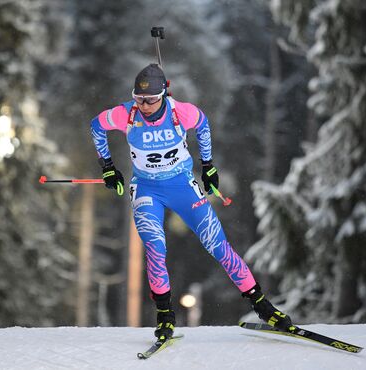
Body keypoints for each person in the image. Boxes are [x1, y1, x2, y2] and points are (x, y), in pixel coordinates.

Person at [90, 64, 293, 342]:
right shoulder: (126, 113)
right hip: (147, 188)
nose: (145, 105)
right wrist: (108, 168)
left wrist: (208, 166)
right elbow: (97, 126)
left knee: (217, 245)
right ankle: (165, 316)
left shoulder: (180, 112)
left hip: (182, 186)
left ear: (163, 94)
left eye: (150, 99)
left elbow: (203, 124)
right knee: (155, 247)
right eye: (139, 99)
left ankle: (263, 307)